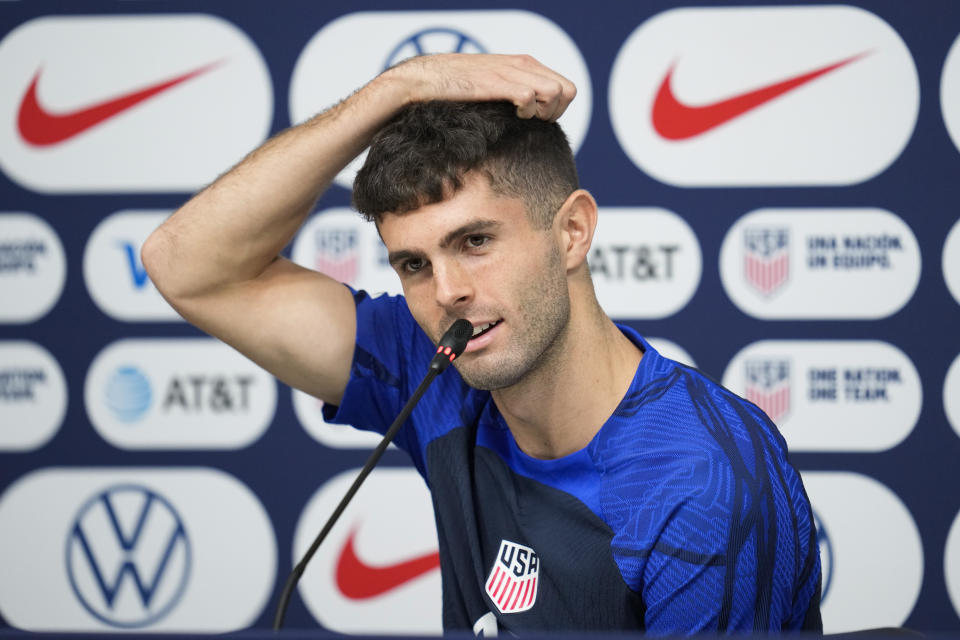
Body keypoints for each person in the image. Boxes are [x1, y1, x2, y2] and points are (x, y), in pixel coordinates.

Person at [142, 54, 821, 634]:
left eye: (475, 242)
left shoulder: (701, 483)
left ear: (573, 233)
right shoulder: (435, 366)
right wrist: (400, 87)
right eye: (413, 264)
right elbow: (186, 266)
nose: (447, 293)